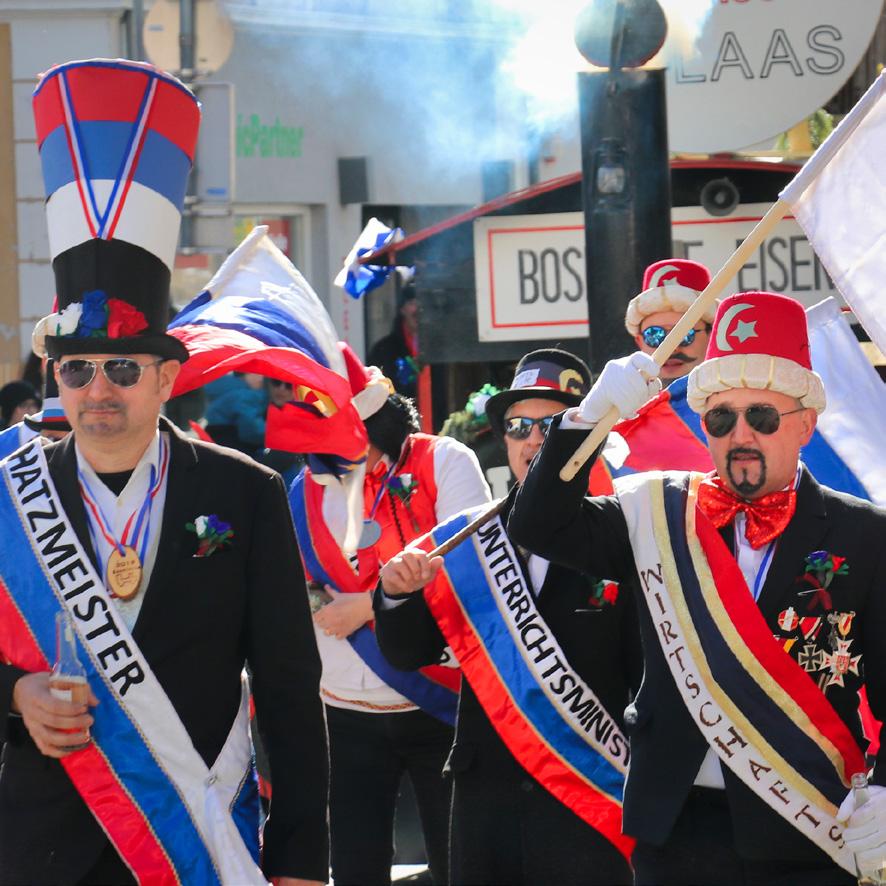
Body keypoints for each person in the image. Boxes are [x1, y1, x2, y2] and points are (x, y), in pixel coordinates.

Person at [0, 58, 328, 885]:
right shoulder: (7, 492)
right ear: (55, 378)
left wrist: (299, 861)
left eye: (122, 368)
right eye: (76, 370)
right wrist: (14, 696)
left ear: (166, 378)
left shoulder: (245, 491)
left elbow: (289, 686)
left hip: (194, 842)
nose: (97, 389)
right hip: (42, 846)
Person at [509, 291, 886, 885]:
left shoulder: (864, 533)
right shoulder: (657, 511)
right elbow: (537, 525)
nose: (741, 434)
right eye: (721, 418)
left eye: (762, 417)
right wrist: (585, 421)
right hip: (676, 826)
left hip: (808, 825)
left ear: (805, 425)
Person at [375, 348, 639, 885]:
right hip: (488, 806)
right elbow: (408, 652)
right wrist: (396, 595)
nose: (533, 439)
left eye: (552, 426)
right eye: (519, 426)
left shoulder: (625, 532)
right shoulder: (468, 538)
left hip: (590, 796)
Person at [288, 351, 490, 886]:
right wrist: (318, 604)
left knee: (458, 866)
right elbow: (288, 582)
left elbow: (469, 565)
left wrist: (366, 605)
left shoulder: (443, 461)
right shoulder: (303, 486)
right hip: (343, 710)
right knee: (355, 868)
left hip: (439, 700)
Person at [626, 259, 714, 384]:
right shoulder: (618, 395)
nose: (671, 349)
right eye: (654, 335)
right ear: (640, 342)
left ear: (711, 337)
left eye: (684, 335)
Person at [368, 285, 420, 399]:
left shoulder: (441, 349)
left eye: (422, 302)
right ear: (402, 309)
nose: (418, 309)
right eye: (412, 303)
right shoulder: (383, 350)